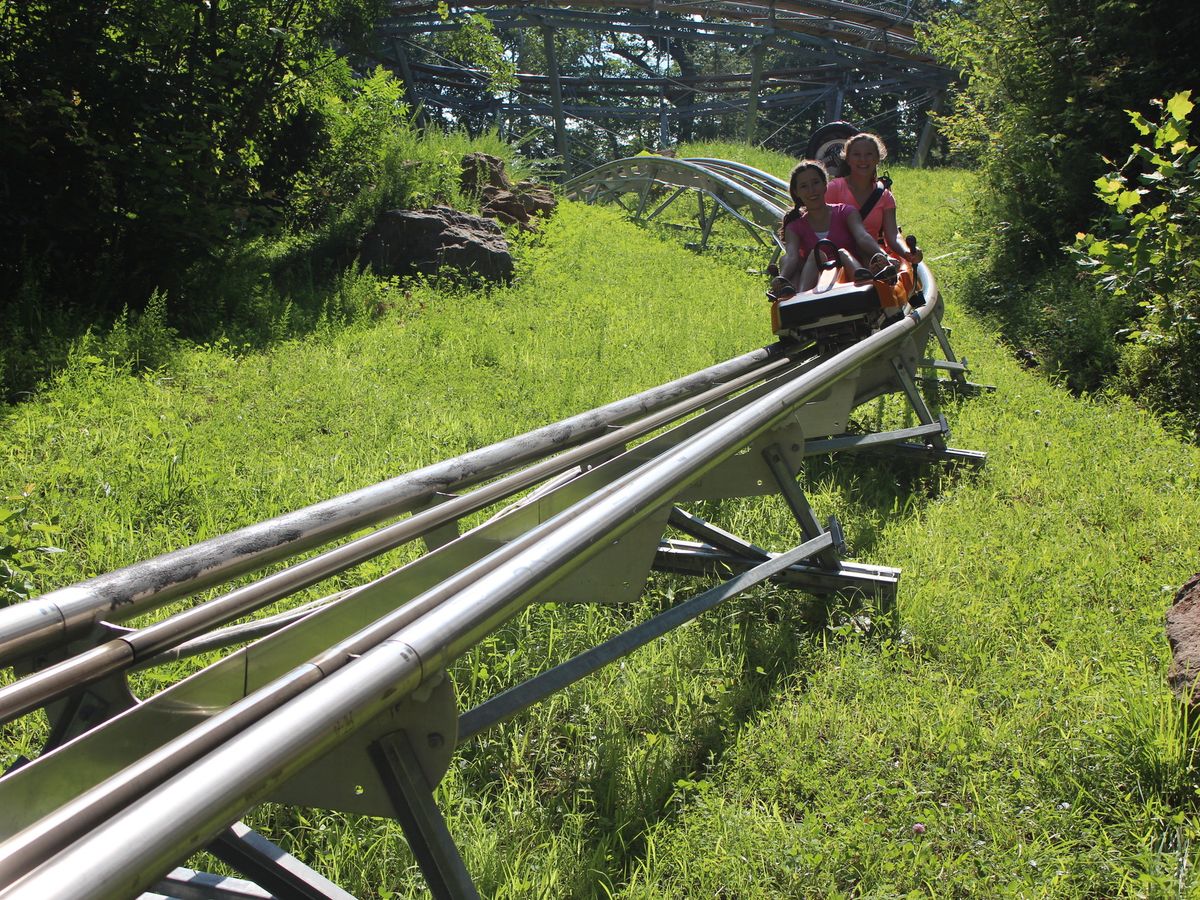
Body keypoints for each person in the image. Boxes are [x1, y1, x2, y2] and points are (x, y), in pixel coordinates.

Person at [773, 159, 895, 294]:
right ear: (796, 192)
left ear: (825, 185)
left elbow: (862, 236)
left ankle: (863, 282)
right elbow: (792, 256)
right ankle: (798, 296)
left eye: (815, 183)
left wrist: (885, 257)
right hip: (815, 281)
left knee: (842, 252)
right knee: (815, 254)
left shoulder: (846, 212)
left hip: (848, 277)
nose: (811, 191)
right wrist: (782, 277)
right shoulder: (795, 227)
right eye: (804, 186)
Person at [825, 132, 922, 267]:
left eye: (869, 154)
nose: (863, 159)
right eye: (857, 155)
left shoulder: (885, 196)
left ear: (877, 159)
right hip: (837, 256)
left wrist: (907, 252)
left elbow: (893, 235)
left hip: (872, 255)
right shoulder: (834, 189)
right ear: (848, 159)